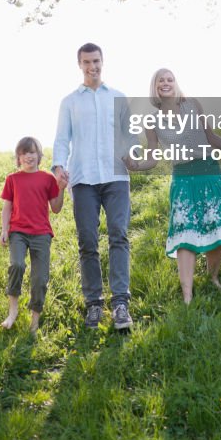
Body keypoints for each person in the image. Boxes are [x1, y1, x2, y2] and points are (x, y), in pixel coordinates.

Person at [134, 68, 221, 304]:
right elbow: (153, 157)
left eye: (170, 79)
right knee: (185, 233)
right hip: (183, 179)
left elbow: (209, 135)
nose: (165, 83)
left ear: (176, 83)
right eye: (160, 80)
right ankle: (187, 294)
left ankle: (213, 277)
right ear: (154, 87)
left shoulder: (193, 104)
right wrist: (135, 165)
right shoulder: (151, 120)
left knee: (218, 227)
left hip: (210, 172)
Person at [52, 43, 134, 330]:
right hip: (83, 178)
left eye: (96, 61)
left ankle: (121, 303)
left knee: (118, 236)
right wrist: (58, 166)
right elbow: (62, 139)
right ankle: (94, 305)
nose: (92, 66)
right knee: (87, 241)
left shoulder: (119, 98)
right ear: (79, 64)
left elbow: (130, 136)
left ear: (103, 61)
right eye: (86, 62)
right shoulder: (70, 101)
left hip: (116, 177)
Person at [0, 136, 67, 333]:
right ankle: (12, 312)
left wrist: (61, 189)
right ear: (18, 158)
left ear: (39, 155)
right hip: (18, 232)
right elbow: (7, 208)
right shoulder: (12, 179)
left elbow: (56, 208)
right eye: (24, 153)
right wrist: (5, 230)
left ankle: (34, 322)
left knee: (40, 279)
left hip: (41, 234)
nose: (28, 156)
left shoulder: (47, 179)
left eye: (32, 152)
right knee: (17, 265)